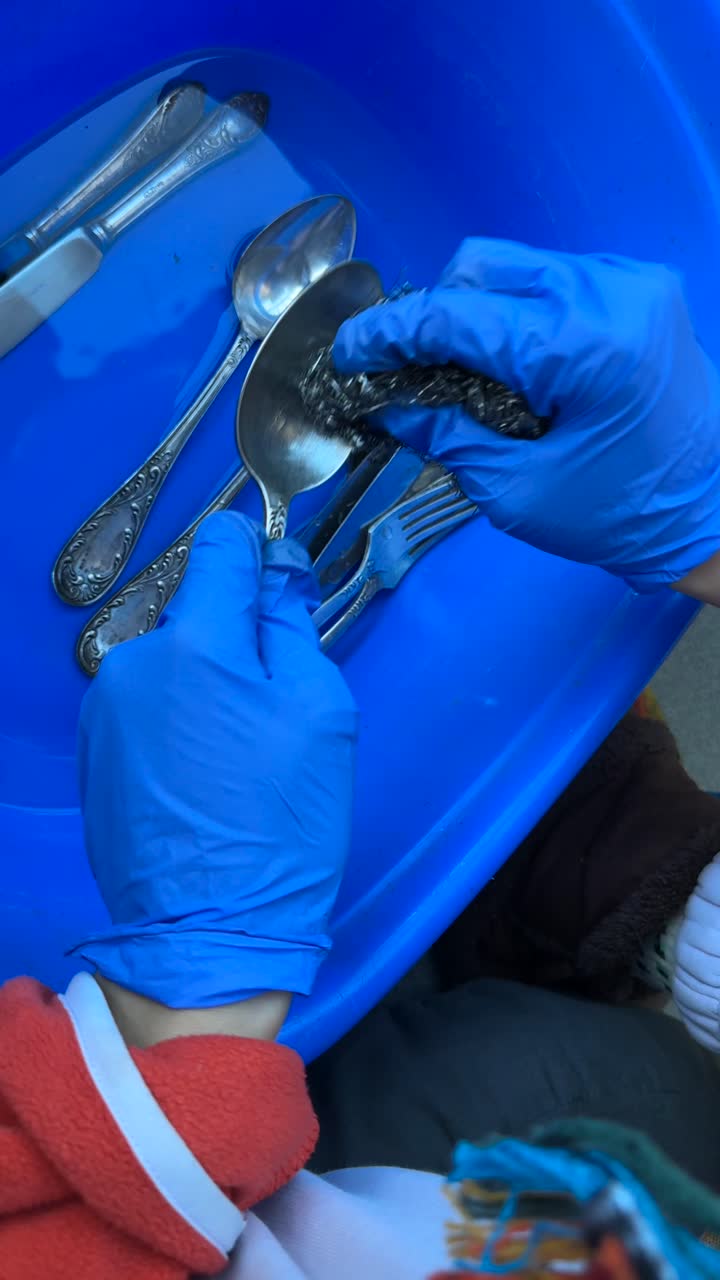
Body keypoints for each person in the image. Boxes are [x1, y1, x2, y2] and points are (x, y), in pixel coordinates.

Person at [4, 240, 720, 1277]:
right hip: (577, 1194)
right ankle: (616, 901)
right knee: (613, 1077)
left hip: (187, 1195)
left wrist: (185, 1013)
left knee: (496, 1060)